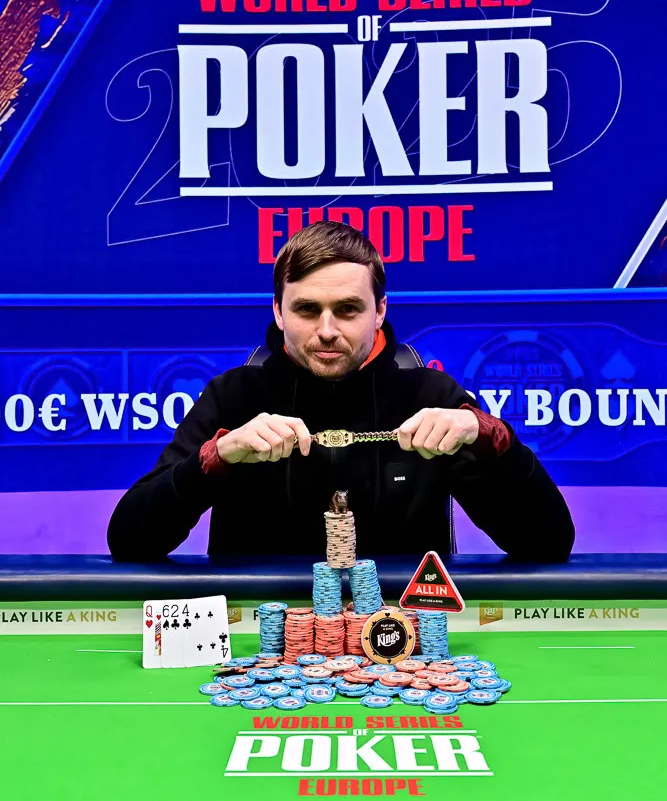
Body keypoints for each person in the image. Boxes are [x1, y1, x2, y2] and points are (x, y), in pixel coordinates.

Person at [108, 222, 574, 562]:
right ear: (278, 311)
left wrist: (490, 436)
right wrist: (217, 457)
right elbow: (129, 541)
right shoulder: (233, 396)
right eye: (307, 310)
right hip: (262, 640)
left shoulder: (431, 396)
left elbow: (547, 544)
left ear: (379, 311)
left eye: (348, 309)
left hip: (399, 639)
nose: (327, 330)